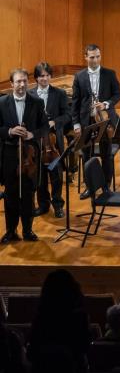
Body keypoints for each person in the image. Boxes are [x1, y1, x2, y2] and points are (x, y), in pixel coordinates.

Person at [0, 69, 48, 243]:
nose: (22, 85)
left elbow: (44, 127)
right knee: (10, 193)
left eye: (24, 82)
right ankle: (11, 231)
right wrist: (10, 131)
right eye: (18, 82)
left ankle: (28, 230)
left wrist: (32, 135)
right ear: (11, 84)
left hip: (30, 154)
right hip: (10, 154)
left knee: (28, 193)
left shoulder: (37, 102)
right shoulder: (2, 102)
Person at [71, 44, 120, 197]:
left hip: (105, 119)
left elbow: (118, 94)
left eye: (98, 56)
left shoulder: (110, 74)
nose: (95, 60)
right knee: (87, 154)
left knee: (107, 153)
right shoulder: (79, 76)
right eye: (92, 57)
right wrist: (76, 123)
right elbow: (75, 102)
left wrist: (106, 104)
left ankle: (106, 186)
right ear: (85, 57)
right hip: (87, 119)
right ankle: (90, 186)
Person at [30, 62, 70, 219]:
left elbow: (67, 115)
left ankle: (58, 205)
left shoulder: (59, 93)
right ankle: (43, 205)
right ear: (36, 78)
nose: (44, 78)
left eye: (47, 75)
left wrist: (55, 122)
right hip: (37, 144)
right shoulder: (30, 95)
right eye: (41, 76)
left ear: (50, 76)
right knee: (40, 176)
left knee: (56, 176)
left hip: (53, 143)